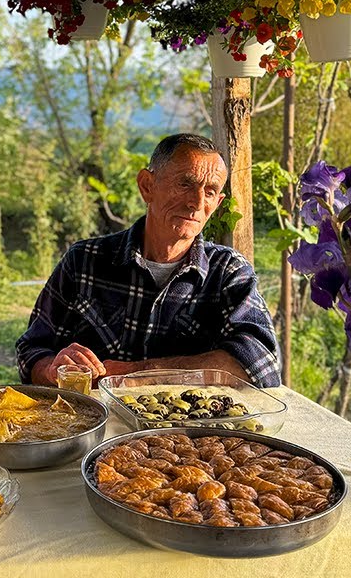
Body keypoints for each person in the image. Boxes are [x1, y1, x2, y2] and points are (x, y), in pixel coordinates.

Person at [17, 133, 280, 388]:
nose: (197, 203)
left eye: (210, 191)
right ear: (147, 186)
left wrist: (135, 374)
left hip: (189, 431)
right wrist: (53, 369)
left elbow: (260, 364)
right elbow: (31, 351)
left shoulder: (228, 272)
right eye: (185, 183)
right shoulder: (84, 261)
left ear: (218, 201)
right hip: (94, 428)